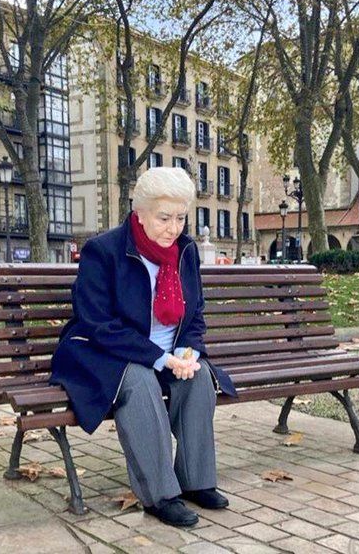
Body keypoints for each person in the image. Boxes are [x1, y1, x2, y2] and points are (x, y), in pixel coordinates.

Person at [50, 167, 237, 528]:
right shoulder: (104, 251)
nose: (173, 227)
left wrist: (188, 353)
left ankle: (195, 481)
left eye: (181, 218)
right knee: (139, 382)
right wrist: (160, 358)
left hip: (166, 356)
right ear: (140, 213)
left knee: (198, 380)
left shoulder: (185, 252)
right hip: (105, 355)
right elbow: (98, 323)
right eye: (164, 218)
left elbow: (195, 312)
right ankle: (160, 495)